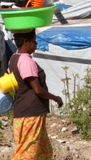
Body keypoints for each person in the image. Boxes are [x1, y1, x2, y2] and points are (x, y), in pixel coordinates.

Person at [8, 30, 63, 160]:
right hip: (30, 114)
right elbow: (38, 90)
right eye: (34, 41)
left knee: (43, 150)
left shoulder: (14, 58)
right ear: (26, 43)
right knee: (27, 153)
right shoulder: (26, 61)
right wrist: (56, 98)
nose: (36, 44)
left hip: (23, 111)